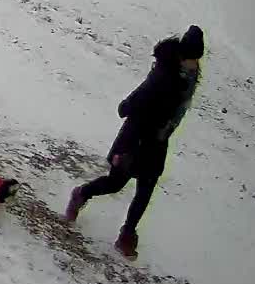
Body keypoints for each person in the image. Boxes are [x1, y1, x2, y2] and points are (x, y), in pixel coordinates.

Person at [64, 25, 204, 258]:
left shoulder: (188, 73)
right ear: (183, 54)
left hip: (158, 138)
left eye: (196, 60)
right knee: (116, 182)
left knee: (146, 188)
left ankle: (127, 234)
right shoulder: (166, 73)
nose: (194, 65)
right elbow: (142, 95)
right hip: (137, 136)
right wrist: (126, 107)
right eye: (191, 59)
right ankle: (82, 193)